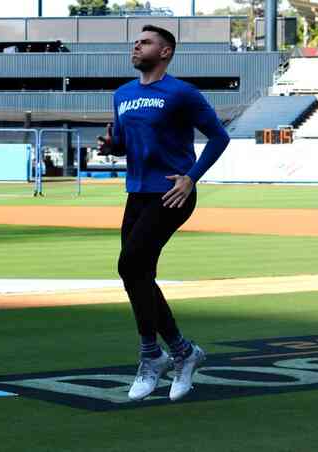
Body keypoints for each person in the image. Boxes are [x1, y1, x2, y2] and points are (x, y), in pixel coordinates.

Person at [97, 25, 230, 402]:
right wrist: (113, 147)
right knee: (138, 274)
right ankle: (183, 352)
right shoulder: (123, 94)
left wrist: (191, 178)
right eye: (136, 42)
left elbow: (219, 137)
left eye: (146, 42)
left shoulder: (182, 93)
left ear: (166, 51)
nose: (137, 46)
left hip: (172, 192)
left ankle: (150, 355)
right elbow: (124, 143)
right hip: (136, 194)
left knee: (129, 267)